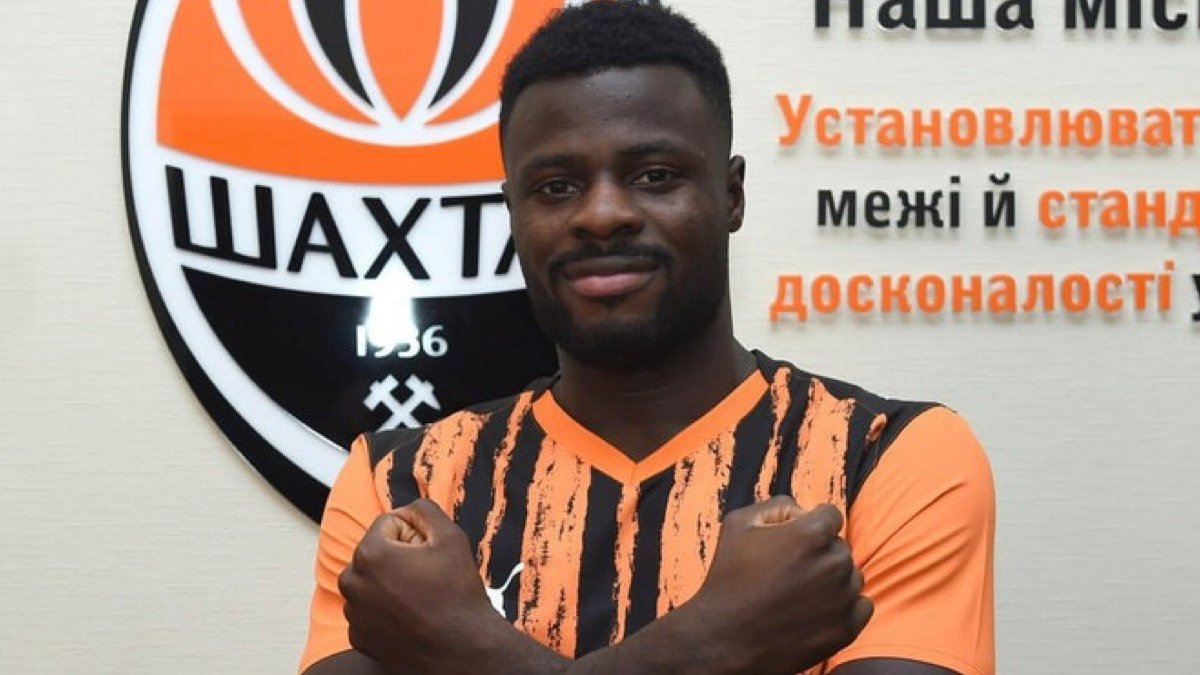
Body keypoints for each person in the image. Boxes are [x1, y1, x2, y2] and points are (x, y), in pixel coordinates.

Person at [300, 3, 994, 674]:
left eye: (655, 176)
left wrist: (465, 649)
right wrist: (714, 645)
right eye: (556, 186)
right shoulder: (400, 485)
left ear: (731, 195)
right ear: (512, 213)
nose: (602, 214)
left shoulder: (884, 457)